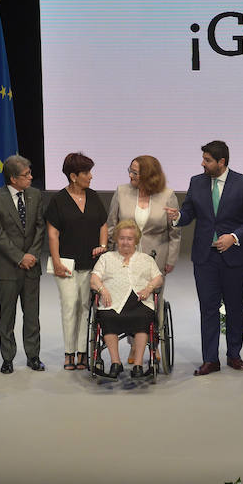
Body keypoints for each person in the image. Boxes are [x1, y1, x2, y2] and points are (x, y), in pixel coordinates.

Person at [165, 140, 243, 376]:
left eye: (207, 160)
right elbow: (189, 212)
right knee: (208, 309)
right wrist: (178, 216)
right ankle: (210, 359)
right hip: (205, 257)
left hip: (235, 257)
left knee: (235, 307)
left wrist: (234, 236)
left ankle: (233, 355)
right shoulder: (196, 182)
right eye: (203, 159)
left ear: (222, 162)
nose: (203, 164)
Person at [107, 154, 180, 364]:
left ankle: (153, 345)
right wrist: (110, 256)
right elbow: (112, 225)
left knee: (151, 301)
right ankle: (133, 347)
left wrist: (171, 259)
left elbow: (175, 231)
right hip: (125, 255)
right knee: (129, 297)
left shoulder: (167, 195)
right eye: (129, 170)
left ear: (148, 174)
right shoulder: (122, 191)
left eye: (135, 172)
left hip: (155, 256)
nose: (130, 175)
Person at [0, 155, 47, 374]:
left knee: (32, 314)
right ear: (13, 178)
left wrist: (31, 255)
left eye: (30, 173)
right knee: (7, 314)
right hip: (7, 267)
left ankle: (33, 356)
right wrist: (19, 257)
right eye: (26, 175)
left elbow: (40, 228)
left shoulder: (35, 195)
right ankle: (8, 357)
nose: (31, 177)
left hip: (32, 266)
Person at [46, 152, 108, 371]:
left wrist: (103, 245)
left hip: (90, 263)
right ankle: (68, 353)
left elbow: (103, 224)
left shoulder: (93, 197)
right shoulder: (58, 201)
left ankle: (82, 352)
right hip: (65, 264)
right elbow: (53, 234)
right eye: (86, 172)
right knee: (70, 305)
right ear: (73, 176)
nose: (91, 176)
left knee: (84, 306)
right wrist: (56, 261)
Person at [90, 219, 164, 378]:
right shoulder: (106, 258)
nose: (125, 242)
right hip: (112, 300)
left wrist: (149, 288)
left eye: (129, 239)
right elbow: (94, 279)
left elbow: (158, 278)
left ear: (136, 241)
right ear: (117, 239)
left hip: (139, 300)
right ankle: (116, 363)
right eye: (122, 238)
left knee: (144, 317)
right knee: (106, 316)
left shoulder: (146, 259)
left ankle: (138, 365)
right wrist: (103, 290)